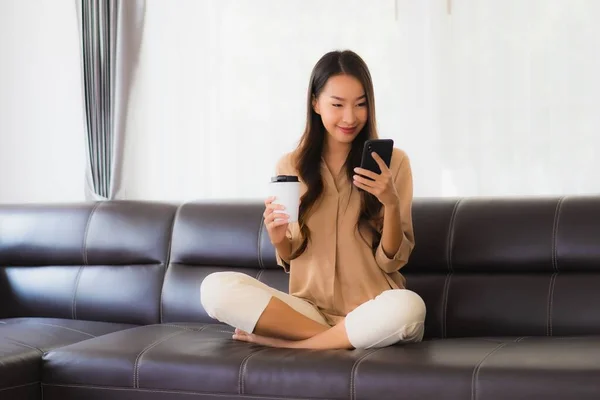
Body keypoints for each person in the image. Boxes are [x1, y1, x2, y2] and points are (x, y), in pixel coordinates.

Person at [200, 50, 425, 350]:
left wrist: (391, 204)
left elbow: (393, 259)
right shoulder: (290, 166)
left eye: (360, 104)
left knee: (409, 307)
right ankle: (334, 340)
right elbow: (292, 256)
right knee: (214, 289)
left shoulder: (393, 163)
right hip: (309, 312)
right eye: (337, 104)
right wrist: (278, 238)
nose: (350, 117)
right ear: (315, 103)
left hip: (372, 311)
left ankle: (296, 345)